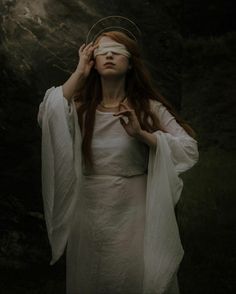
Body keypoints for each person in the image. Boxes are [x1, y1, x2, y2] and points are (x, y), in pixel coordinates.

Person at [38, 20, 198, 294]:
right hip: (89, 211)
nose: (110, 54)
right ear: (92, 59)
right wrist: (79, 72)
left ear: (131, 63)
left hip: (133, 212)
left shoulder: (149, 108)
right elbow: (47, 114)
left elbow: (188, 148)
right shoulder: (79, 110)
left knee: (131, 277)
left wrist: (143, 135)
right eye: (102, 51)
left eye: (117, 50)